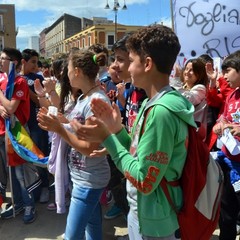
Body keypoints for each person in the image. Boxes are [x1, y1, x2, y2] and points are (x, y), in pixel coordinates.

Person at [70, 24, 196, 239]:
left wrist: (107, 138)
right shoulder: (152, 102)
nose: (126, 68)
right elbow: (139, 153)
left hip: (155, 220)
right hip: (147, 212)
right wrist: (117, 130)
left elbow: (144, 181)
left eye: (131, 60)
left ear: (147, 64)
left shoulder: (161, 112)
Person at [37, 50, 111, 240]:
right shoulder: (83, 98)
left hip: (89, 179)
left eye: (68, 69)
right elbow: (77, 127)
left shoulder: (96, 101)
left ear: (77, 71)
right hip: (82, 175)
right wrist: (61, 123)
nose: (66, 74)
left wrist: (60, 129)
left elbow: (89, 147)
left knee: (72, 235)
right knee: (92, 227)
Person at [0, 47, 39, 223]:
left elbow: (11, 108)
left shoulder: (20, 82)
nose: (0, 61)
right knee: (9, 174)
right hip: (2, 133)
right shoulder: (2, 80)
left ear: (13, 62)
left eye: (3, 58)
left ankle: (29, 204)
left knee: (20, 174)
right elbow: (4, 107)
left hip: (16, 134)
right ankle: (18, 204)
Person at [212, 51, 240, 240]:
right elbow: (223, 119)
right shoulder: (232, 96)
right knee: (226, 215)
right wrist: (220, 126)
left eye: (227, 71)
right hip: (228, 164)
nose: (224, 77)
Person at [21, 49, 50, 204]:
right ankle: (31, 188)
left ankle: (45, 186)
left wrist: (26, 89)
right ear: (24, 61)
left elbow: (40, 102)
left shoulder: (37, 78)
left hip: (37, 124)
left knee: (40, 155)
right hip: (21, 125)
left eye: (36, 61)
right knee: (26, 159)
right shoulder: (15, 78)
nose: (35, 65)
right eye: (32, 61)